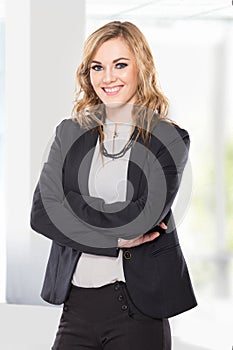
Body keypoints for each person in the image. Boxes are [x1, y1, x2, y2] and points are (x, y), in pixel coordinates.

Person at [30, 21, 197, 350]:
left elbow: (141, 219)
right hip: (75, 307)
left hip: (137, 308)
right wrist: (116, 238)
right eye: (98, 67)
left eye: (120, 64)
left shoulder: (168, 139)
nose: (108, 77)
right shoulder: (69, 133)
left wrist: (74, 204)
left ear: (141, 67)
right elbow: (41, 214)